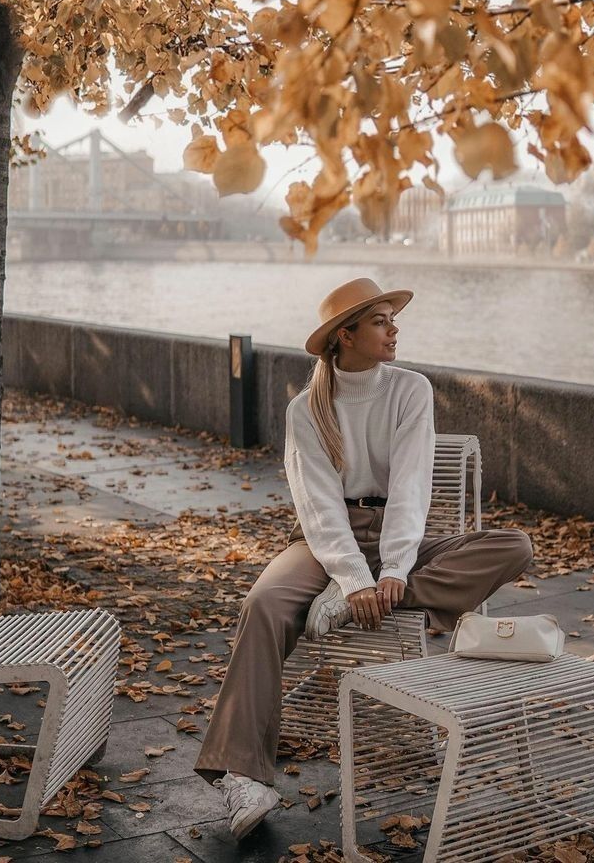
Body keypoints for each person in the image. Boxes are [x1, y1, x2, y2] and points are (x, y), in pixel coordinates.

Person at [193, 277, 533, 840]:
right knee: (265, 601)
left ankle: (361, 599)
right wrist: (351, 575)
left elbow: (411, 488)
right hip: (332, 540)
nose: (394, 329)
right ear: (345, 336)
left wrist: (391, 572)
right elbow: (317, 505)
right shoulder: (307, 409)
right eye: (380, 321)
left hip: (402, 540)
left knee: (513, 545)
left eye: (391, 319)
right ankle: (243, 774)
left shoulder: (410, 389)